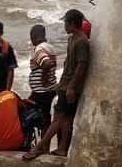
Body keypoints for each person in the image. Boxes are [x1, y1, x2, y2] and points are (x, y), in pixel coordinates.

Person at [25, 9, 89, 160]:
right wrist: (61, 82)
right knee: (66, 118)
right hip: (65, 84)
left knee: (58, 118)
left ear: (72, 24)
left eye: (66, 23)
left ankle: (38, 147)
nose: (64, 26)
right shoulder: (72, 39)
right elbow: (68, 63)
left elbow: (81, 65)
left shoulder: (81, 42)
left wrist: (71, 86)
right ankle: (61, 149)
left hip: (70, 87)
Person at [27, 25, 59, 137]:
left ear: (34, 37)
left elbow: (47, 63)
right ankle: (44, 146)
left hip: (41, 92)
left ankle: (37, 146)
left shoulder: (39, 49)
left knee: (29, 114)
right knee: (45, 118)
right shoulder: (50, 47)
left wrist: (43, 79)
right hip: (50, 89)